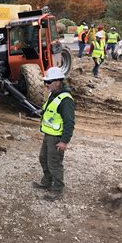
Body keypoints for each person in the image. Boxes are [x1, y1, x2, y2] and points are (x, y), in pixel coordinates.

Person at [33, 67, 75, 201]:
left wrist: (64, 141)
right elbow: (50, 110)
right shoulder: (53, 93)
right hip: (49, 134)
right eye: (46, 82)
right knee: (43, 158)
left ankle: (57, 190)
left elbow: (69, 122)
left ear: (58, 81)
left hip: (57, 137)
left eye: (49, 82)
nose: (46, 84)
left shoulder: (66, 100)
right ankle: (46, 182)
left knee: (54, 163)